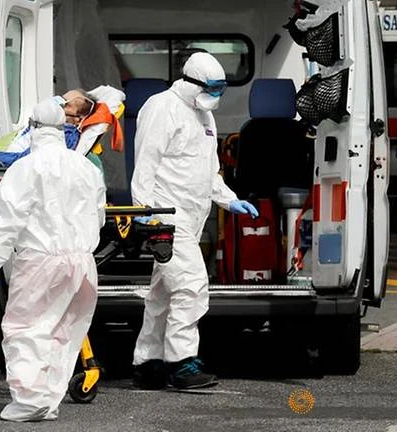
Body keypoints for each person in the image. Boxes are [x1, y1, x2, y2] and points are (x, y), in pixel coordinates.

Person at [129, 52, 258, 390]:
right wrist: (145, 213)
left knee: (162, 294)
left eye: (220, 88)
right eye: (212, 88)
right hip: (166, 215)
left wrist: (229, 200)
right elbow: (145, 164)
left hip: (191, 216)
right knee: (191, 286)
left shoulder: (204, 115)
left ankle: (148, 362)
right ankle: (182, 362)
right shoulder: (162, 108)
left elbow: (208, 170)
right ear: (191, 82)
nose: (216, 95)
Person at [0, 97, 106, 422]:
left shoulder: (25, 168)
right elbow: (99, 215)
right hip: (83, 261)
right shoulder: (85, 166)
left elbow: (10, 219)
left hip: (41, 261)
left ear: (33, 128)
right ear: (63, 128)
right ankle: (48, 400)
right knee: (64, 332)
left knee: (25, 328)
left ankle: (30, 401)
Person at [0, 89, 97, 167]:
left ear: (78, 119)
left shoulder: (64, 137)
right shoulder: (50, 129)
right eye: (61, 99)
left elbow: (20, 161)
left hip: (2, 169)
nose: (58, 104)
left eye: (66, 104)